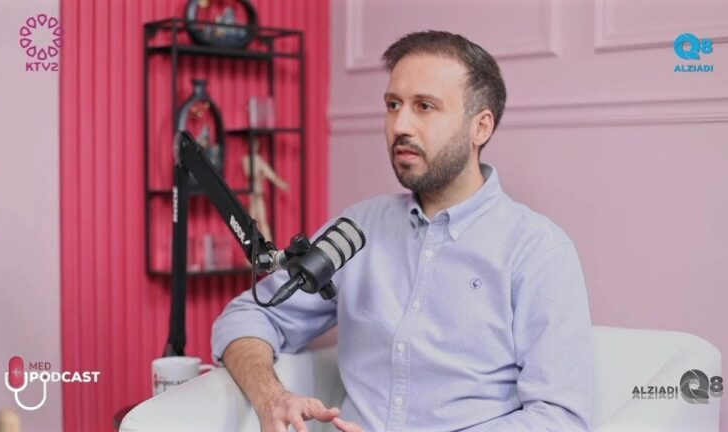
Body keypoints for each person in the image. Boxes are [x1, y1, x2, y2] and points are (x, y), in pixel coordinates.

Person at [212, 30, 593, 432]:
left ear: (480, 127)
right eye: (393, 105)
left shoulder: (537, 251)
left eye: (424, 107)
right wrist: (272, 398)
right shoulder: (358, 230)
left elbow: (560, 419)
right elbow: (249, 315)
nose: (400, 125)